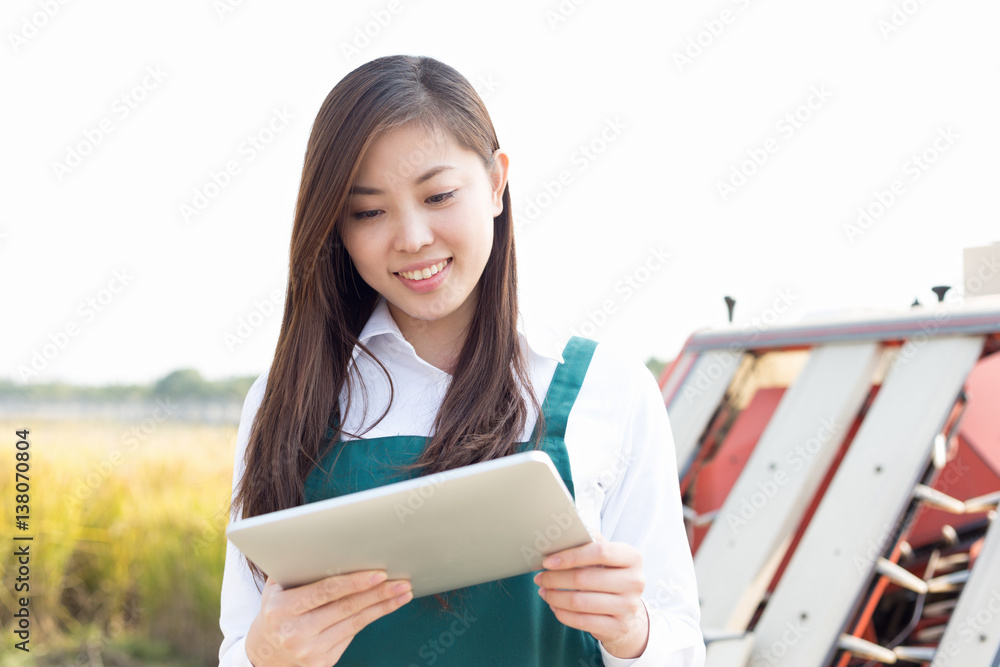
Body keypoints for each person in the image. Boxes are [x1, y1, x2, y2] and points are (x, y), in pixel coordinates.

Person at [219, 54, 705, 667]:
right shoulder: (287, 400)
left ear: (497, 183)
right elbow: (239, 644)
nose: (413, 236)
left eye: (439, 194)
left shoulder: (610, 390)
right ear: (335, 227)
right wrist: (264, 656)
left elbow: (682, 647)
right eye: (368, 211)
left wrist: (633, 633)